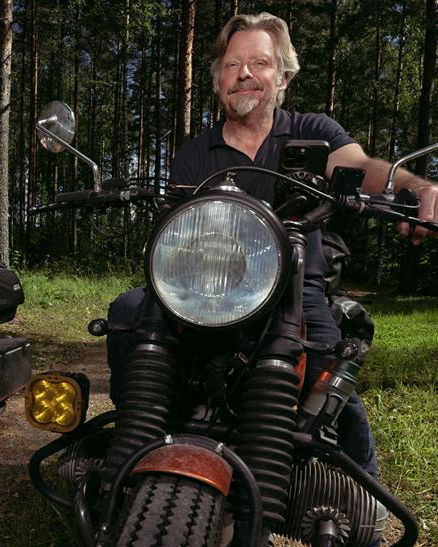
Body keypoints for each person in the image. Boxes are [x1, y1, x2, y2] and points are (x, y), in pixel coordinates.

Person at [107, 12, 438, 483]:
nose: (243, 73)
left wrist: (416, 188)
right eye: (231, 64)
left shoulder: (313, 133)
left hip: (295, 291)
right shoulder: (194, 154)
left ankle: (365, 495)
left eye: (259, 63)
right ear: (218, 80)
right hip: (209, 292)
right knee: (128, 312)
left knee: (326, 358)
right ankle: (136, 440)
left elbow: (363, 166)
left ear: (282, 77)